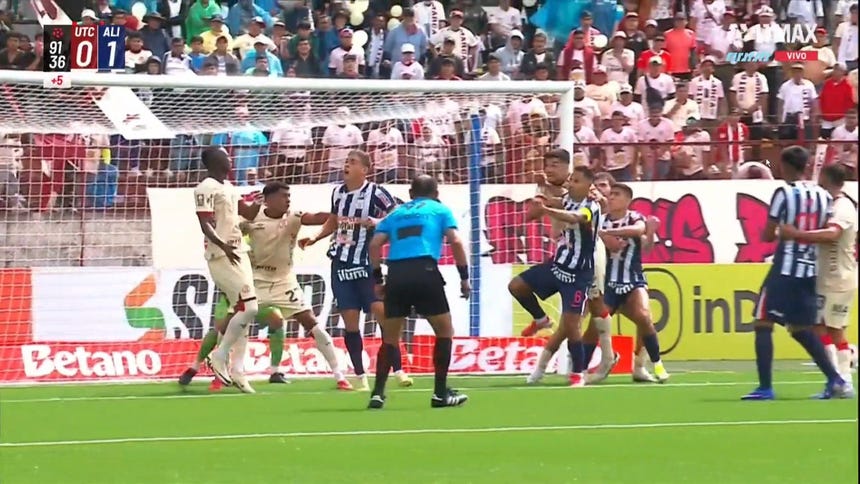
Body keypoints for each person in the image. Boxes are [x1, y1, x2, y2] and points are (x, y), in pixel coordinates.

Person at [179, 182, 353, 392]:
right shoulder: (251, 220)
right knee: (226, 325)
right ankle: (209, 367)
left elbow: (319, 217)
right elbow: (228, 231)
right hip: (254, 280)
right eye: (283, 196)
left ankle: (339, 376)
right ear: (268, 199)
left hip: (283, 280)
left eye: (289, 196)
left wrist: (340, 216)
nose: (288, 200)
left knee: (311, 322)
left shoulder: (294, 217)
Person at [743, 146, 850, 401]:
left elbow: (768, 235)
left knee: (762, 321)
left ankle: (765, 386)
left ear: (785, 166)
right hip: (809, 270)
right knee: (801, 328)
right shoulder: (824, 196)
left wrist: (785, 232)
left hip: (785, 268)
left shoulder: (784, 193)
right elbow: (822, 231)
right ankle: (835, 379)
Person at [300, 150, 412, 391]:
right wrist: (316, 237)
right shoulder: (338, 192)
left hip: (366, 262)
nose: (346, 166)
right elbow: (334, 219)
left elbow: (398, 214)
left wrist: (377, 223)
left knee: (382, 313)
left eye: (352, 162)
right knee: (350, 322)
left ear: (365, 169)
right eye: (345, 162)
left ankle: (399, 369)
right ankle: (361, 375)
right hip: (341, 262)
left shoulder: (376, 193)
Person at [367, 174, 470, 409]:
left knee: (390, 338)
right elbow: (455, 241)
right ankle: (440, 394)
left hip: (397, 274)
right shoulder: (439, 209)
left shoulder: (397, 213)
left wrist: (378, 279)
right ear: (436, 194)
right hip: (425, 270)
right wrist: (464, 278)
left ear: (411, 194)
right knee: (444, 331)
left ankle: (377, 394)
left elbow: (374, 245)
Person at [778, 164, 857, 394]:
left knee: (832, 329)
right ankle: (837, 380)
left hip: (839, 278)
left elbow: (833, 233)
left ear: (826, 177)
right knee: (823, 327)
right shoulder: (828, 204)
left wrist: (798, 235)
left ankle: (842, 381)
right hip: (827, 277)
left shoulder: (843, 207)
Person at [194, 147, 261, 391]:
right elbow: (205, 223)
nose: (230, 159)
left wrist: (262, 200)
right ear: (215, 161)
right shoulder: (205, 188)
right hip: (222, 254)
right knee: (249, 307)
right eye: (226, 155)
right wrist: (222, 244)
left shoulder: (230, 188)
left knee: (243, 311)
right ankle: (219, 355)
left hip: (239, 251)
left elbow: (249, 213)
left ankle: (238, 370)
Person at [599, 183, 670, 384]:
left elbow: (644, 242)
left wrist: (651, 232)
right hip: (608, 283)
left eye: (616, 194)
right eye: (610, 194)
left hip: (633, 280)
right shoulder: (602, 221)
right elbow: (594, 236)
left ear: (627, 200)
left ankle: (650, 365)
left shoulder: (635, 218)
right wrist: (604, 234)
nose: (611, 197)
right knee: (595, 326)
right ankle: (587, 365)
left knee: (644, 316)